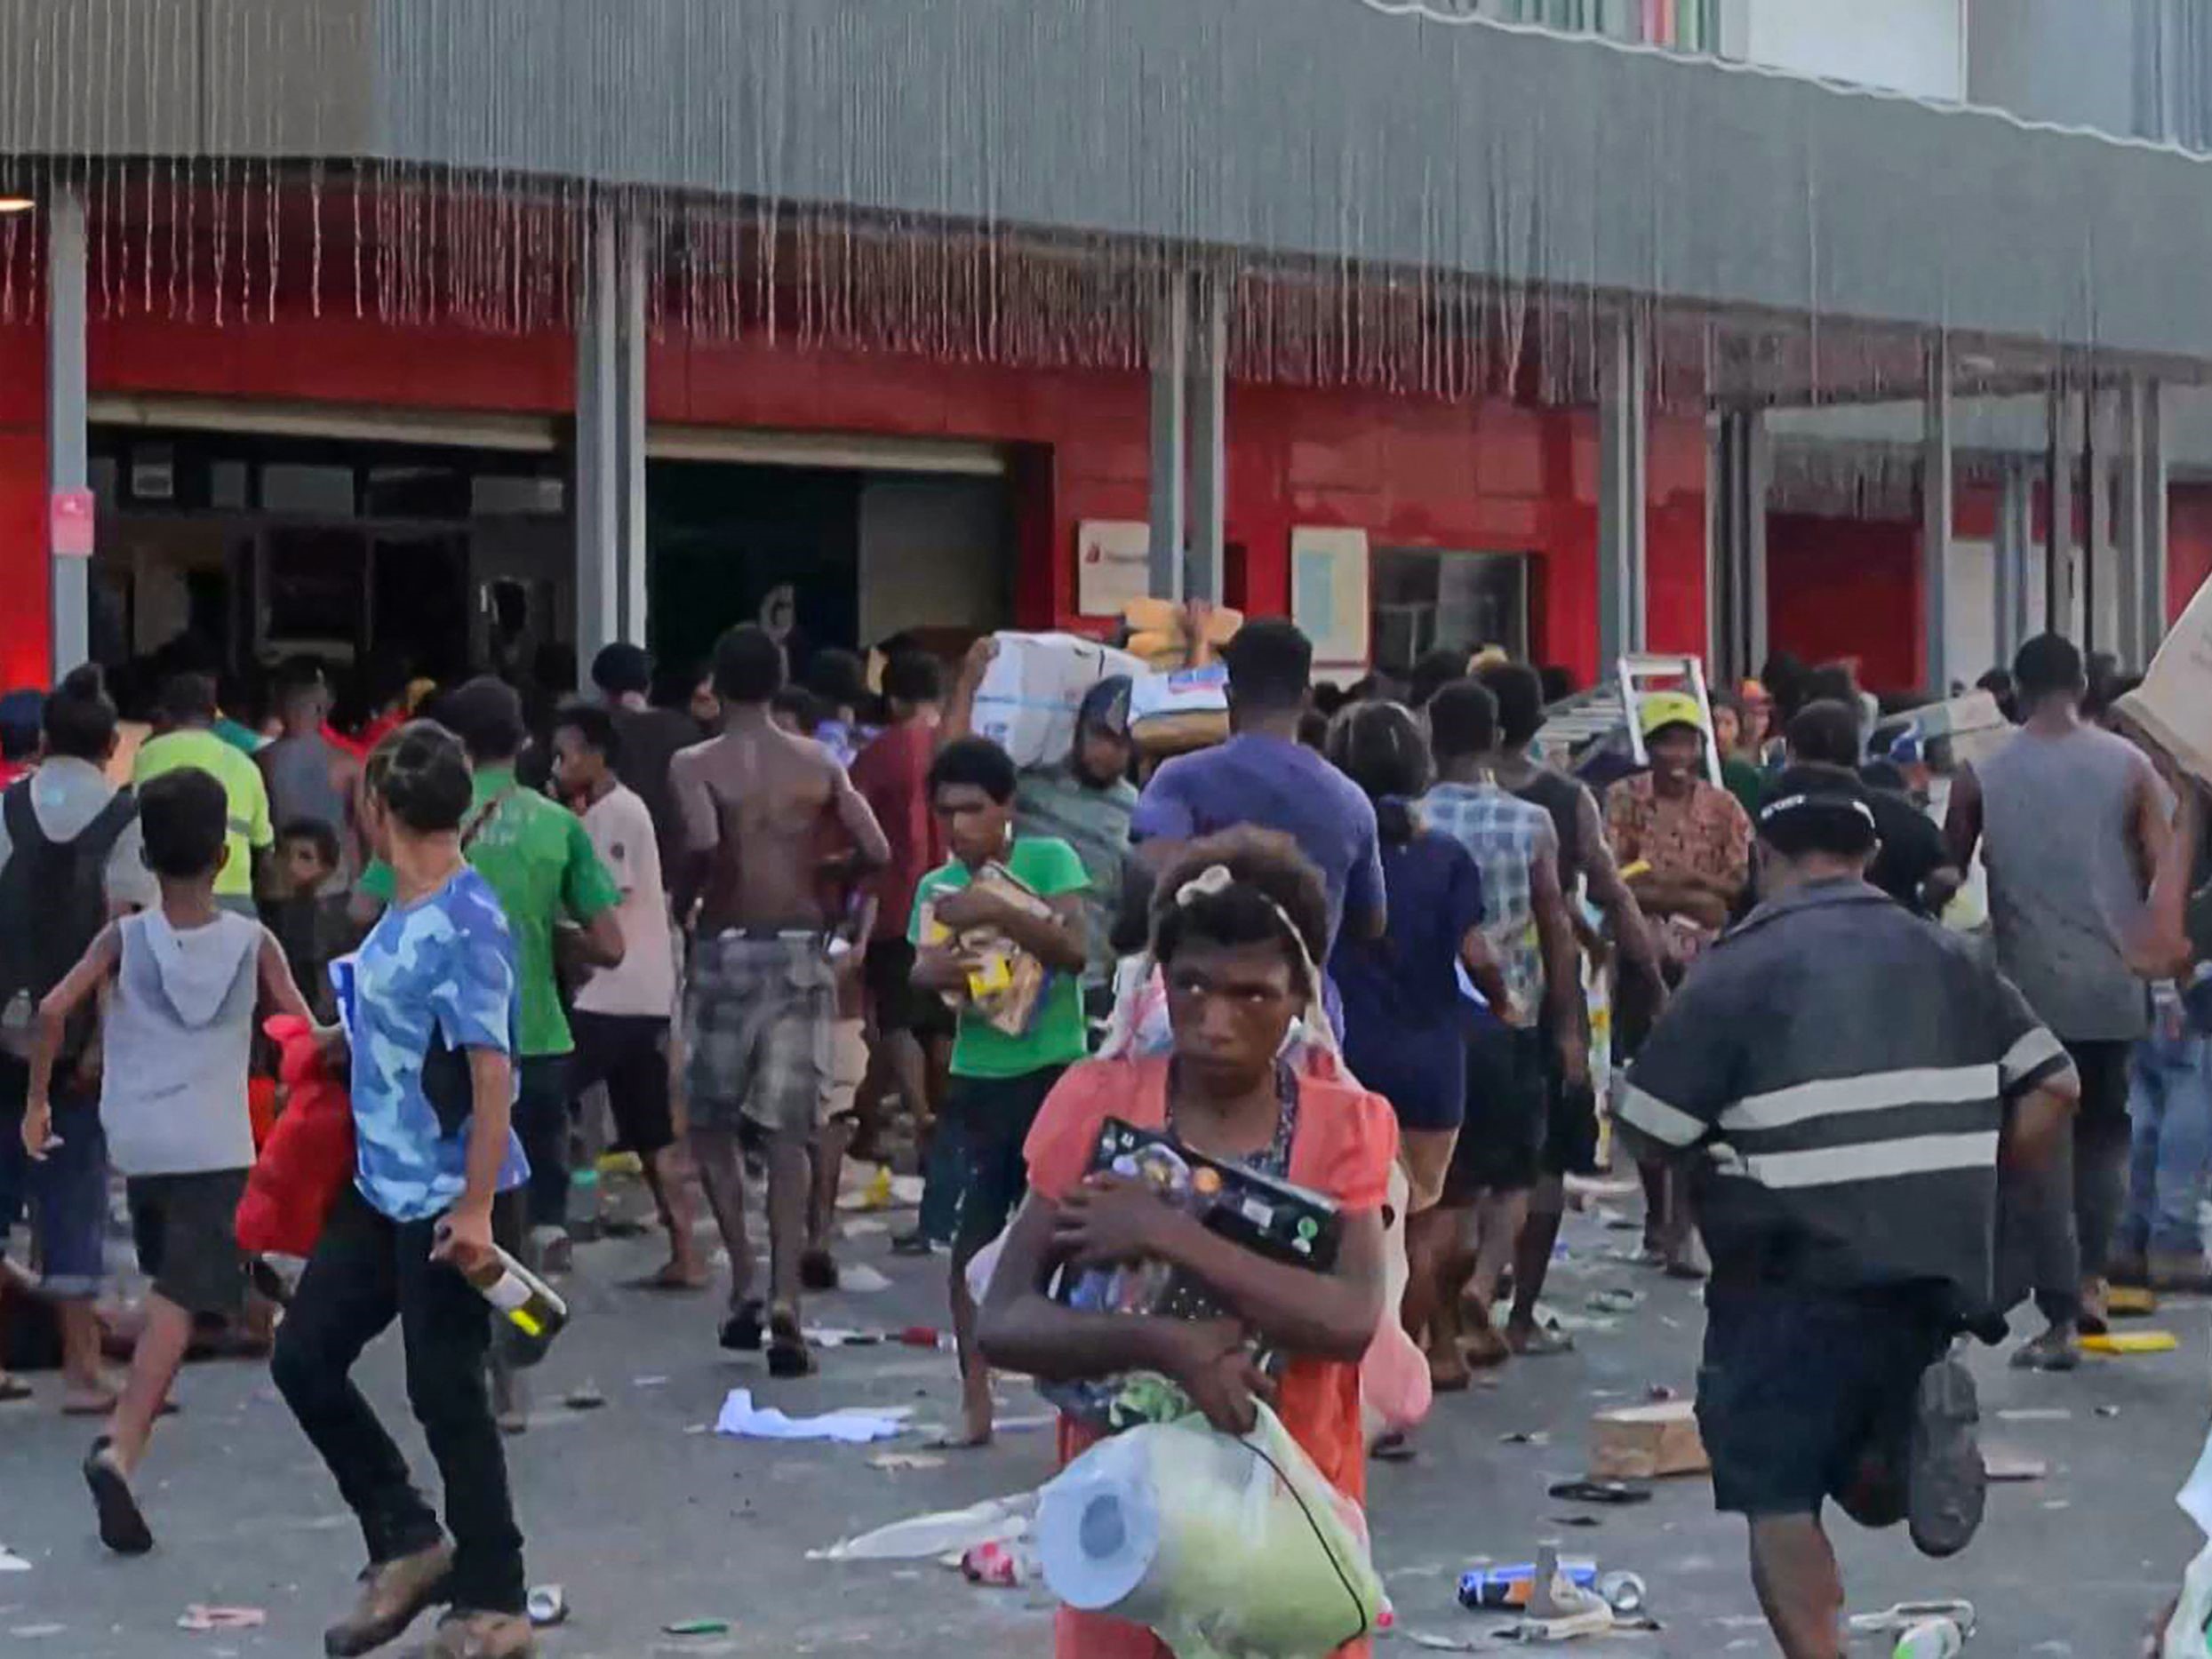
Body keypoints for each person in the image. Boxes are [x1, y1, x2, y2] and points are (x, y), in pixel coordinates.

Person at [1616, 765, 2080, 1659]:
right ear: (1869, 854)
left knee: (1776, 1485)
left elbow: (1649, 1132)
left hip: (1790, 1276)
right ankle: (1899, 1445)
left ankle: (1826, 1644)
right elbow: (2054, 1084)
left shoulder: (1737, 967)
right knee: (1862, 1416)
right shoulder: (1949, 956)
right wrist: (1969, 1176)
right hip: (1930, 1270)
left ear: (1760, 855)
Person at [978, 830, 1395, 1659]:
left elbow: (1349, 1319)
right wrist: (1167, 1344)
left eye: (1252, 994)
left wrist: (1170, 1233)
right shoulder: (1099, 1102)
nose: (1213, 1019)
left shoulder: (1344, 1125)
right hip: (1126, 1523)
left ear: (1299, 997)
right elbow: (1004, 1321)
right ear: (1159, 979)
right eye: (1192, 985)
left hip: (1283, 1511)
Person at [270, 722, 537, 1659]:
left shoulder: (467, 919)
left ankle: (496, 1599)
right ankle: (408, 1539)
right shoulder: (404, 907)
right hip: (378, 1180)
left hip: (445, 1191)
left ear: (377, 810)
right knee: (304, 1356)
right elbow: (405, 1026)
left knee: (446, 1389)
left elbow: (492, 1072)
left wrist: (472, 1209)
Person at [24, 767, 316, 1554]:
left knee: (176, 1278)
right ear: (224, 857)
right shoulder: (253, 941)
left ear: (146, 858)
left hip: (136, 1140)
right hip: (214, 1144)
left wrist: (38, 1103)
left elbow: (53, 1010)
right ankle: (120, 1450)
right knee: (179, 1304)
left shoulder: (123, 938)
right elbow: (303, 1033)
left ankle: (245, 1306)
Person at [668, 625, 890, 1376]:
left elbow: (700, 840)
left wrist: (687, 898)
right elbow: (878, 849)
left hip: (727, 947)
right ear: (778, 679)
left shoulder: (696, 762)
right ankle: (788, 1297)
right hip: (800, 950)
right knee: (791, 1133)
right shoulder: (818, 760)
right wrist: (827, 876)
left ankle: (743, 1279)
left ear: (715, 686)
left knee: (712, 1123)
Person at [1945, 633, 2168, 1368]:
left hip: (2023, 993)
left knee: (2041, 1150)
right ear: (2082, 686)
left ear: (2013, 687)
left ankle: (2058, 1313)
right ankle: (2092, 1282)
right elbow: (2161, 871)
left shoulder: (1982, 769)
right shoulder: (2129, 764)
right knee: (2105, 1132)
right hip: (2113, 985)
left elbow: (1948, 874)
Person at [363, 677, 624, 1275]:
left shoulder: (420, 816)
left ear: (454, 741)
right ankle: (524, 1317)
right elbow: (611, 946)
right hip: (538, 1039)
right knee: (534, 1212)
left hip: (442, 1052)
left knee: (455, 1213)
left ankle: (479, 1332)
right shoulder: (558, 824)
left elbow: (364, 913)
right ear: (526, 740)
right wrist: (546, 934)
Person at [910, 735, 1091, 1444]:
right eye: (947, 812)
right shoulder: (935, 887)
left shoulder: (1048, 861)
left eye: (973, 810)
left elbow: (1074, 952)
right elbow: (925, 972)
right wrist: (992, 963)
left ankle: (1077, 1402)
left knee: (1073, 1243)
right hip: (979, 1077)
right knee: (972, 1242)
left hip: (1055, 1075)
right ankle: (973, 1399)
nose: (959, 827)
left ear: (1007, 807)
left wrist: (998, 915)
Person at [1478, 660, 1659, 1352]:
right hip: (1550, 997)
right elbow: (1611, 891)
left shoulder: (1435, 799)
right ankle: (1519, 1313)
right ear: (1537, 722)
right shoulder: (1564, 798)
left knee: (1464, 1163)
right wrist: (1648, 974)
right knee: (1546, 1156)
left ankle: (1457, 1301)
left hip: (1457, 1002)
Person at [1417, 680, 1584, 1378]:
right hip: (1511, 1017)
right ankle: (1485, 1284)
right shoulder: (1530, 822)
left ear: (1431, 737)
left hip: (1428, 1019)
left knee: (1445, 1187)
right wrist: (1570, 1026)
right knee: (1513, 1173)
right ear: (1492, 740)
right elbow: (1557, 927)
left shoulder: (1408, 819)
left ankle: (1440, 1325)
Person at [0, 666, 154, 1413]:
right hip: (83, 1031)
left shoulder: (5, 808)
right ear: (109, 746)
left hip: (3, 1025)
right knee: (75, 1187)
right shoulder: (124, 819)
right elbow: (124, 935)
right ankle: (84, 1367)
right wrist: (104, 1042)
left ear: (41, 738)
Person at [1131, 619, 1385, 1032]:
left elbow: (1150, 877)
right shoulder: (1351, 801)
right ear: (1306, 699)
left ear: (1229, 695)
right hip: (1308, 1021)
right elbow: (1371, 923)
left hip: (1200, 1018)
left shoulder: (1180, 779)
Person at [550, 703, 704, 1291]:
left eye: (565, 753)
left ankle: (541, 1231)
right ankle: (685, 1251)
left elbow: (601, 912)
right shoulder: (606, 812)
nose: (559, 765)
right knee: (651, 1132)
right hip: (641, 992)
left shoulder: (612, 816)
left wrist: (554, 933)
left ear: (594, 754)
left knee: (536, 1101)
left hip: (612, 993)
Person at [1326, 702, 1502, 1212]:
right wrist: (1503, 1004)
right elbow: (1477, 953)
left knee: (1349, 1209)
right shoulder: (1446, 856)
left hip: (1343, 1054)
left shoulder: (1328, 849)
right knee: (1421, 1210)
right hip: (1429, 1058)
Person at [1605, 692, 1753, 1275]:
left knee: (1697, 1089)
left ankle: (1682, 1222)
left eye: (1686, 740)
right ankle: (1655, 1214)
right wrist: (1689, 888)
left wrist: (1672, 883)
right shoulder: (1622, 799)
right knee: (1643, 1086)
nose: (1676, 752)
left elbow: (1733, 885)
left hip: (1705, 964)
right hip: (1638, 963)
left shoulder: (1723, 806)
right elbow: (1614, 880)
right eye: (1665, 739)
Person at [946, 638, 1138, 1027]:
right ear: (1078, 728)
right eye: (1100, 734)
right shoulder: (1031, 786)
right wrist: (968, 682)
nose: (1109, 751)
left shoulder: (1139, 808)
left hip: (1094, 987)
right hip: (1016, 977)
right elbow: (954, 771)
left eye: (1122, 742)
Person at [849, 650, 953, 1177]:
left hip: (897, 904)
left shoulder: (880, 755)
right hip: (961, 900)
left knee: (897, 1018)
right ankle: (899, 1121)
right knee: (946, 1019)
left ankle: (922, 1118)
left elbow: (854, 833)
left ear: (892, 700)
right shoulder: (966, 742)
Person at [1785, 700, 1960, 918]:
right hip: (1896, 938)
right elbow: (1947, 875)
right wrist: (1925, 909)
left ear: (1792, 753)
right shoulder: (1906, 817)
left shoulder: (1780, 816)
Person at [133, 672, 274, 915]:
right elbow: (264, 845)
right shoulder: (245, 765)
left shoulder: (149, 754)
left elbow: (138, 823)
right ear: (215, 718)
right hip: (234, 894)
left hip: (167, 894)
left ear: (165, 715)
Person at [587, 642, 700, 880]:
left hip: (613, 861)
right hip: (673, 861)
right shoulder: (684, 729)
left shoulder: (597, 735)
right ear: (648, 685)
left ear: (602, 688)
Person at [258, 658, 358, 874]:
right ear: (325, 709)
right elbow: (369, 836)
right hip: (335, 880)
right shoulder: (348, 765)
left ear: (278, 705)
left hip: (280, 879)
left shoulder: (259, 762)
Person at [261, 818, 356, 1024]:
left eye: (305, 857)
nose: (290, 864)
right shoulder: (259, 916)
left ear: (327, 869)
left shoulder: (334, 921)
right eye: (283, 853)